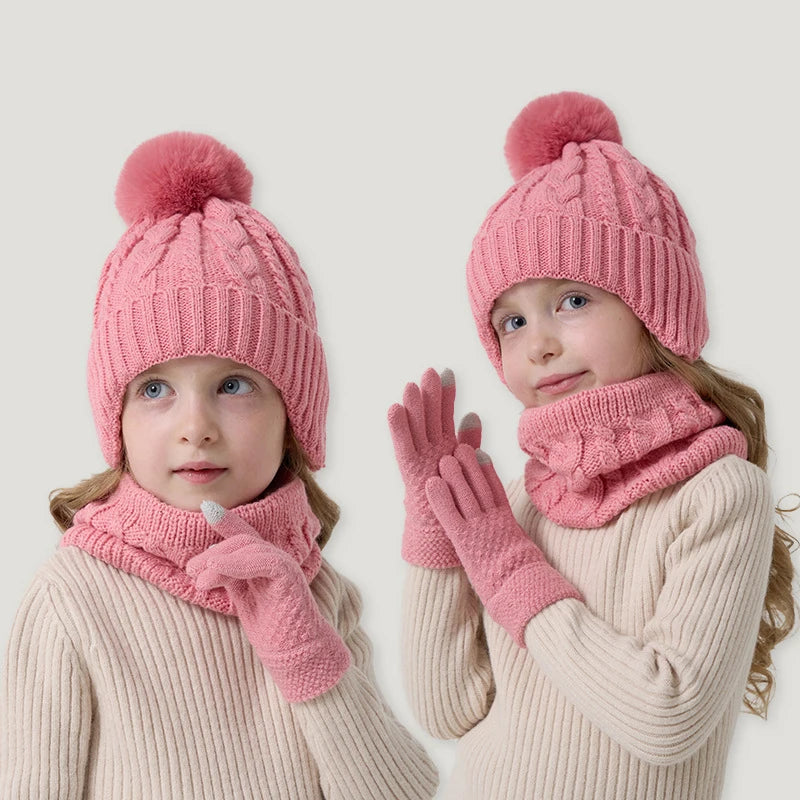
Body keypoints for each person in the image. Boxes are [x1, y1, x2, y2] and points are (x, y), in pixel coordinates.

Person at [1, 131, 438, 799]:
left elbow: (403, 791)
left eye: (234, 385)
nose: (195, 427)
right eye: (155, 389)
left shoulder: (318, 591)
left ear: (293, 414)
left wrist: (304, 651)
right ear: (116, 420)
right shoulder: (75, 596)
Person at [389, 91, 796, 800]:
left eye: (572, 300)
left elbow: (667, 716)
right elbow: (447, 711)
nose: (539, 344)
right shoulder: (517, 504)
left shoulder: (718, 493)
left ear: (653, 308)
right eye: (511, 321)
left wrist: (511, 570)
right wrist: (438, 536)